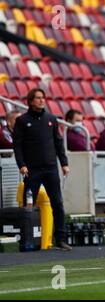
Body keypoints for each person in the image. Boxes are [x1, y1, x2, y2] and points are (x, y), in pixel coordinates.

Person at [13, 88, 71, 250]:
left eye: (43, 97)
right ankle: (27, 240)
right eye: (38, 98)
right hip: (32, 170)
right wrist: (21, 165)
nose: (42, 100)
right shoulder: (22, 121)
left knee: (58, 203)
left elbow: (59, 143)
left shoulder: (51, 119)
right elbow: (17, 145)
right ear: (30, 101)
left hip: (51, 168)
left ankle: (60, 238)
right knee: (28, 206)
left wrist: (64, 163)